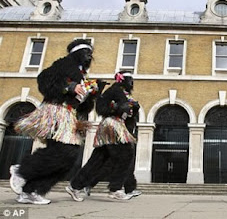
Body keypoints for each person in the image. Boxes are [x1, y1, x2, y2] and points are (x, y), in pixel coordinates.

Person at [9, 39, 105, 205]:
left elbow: (83, 106)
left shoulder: (82, 75)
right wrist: (69, 86)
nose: (90, 55)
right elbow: (44, 78)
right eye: (86, 51)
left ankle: (31, 191)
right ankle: (22, 170)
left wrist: (92, 95)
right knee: (65, 152)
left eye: (91, 52)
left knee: (68, 158)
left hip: (69, 115)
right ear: (77, 53)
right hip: (55, 111)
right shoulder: (64, 63)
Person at [66, 71, 139, 201]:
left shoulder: (121, 93)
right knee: (125, 154)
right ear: (123, 80)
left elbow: (127, 112)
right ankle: (115, 188)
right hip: (112, 125)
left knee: (97, 159)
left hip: (115, 125)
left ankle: (75, 186)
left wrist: (134, 108)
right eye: (129, 79)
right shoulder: (114, 90)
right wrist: (117, 107)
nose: (132, 82)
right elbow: (101, 108)